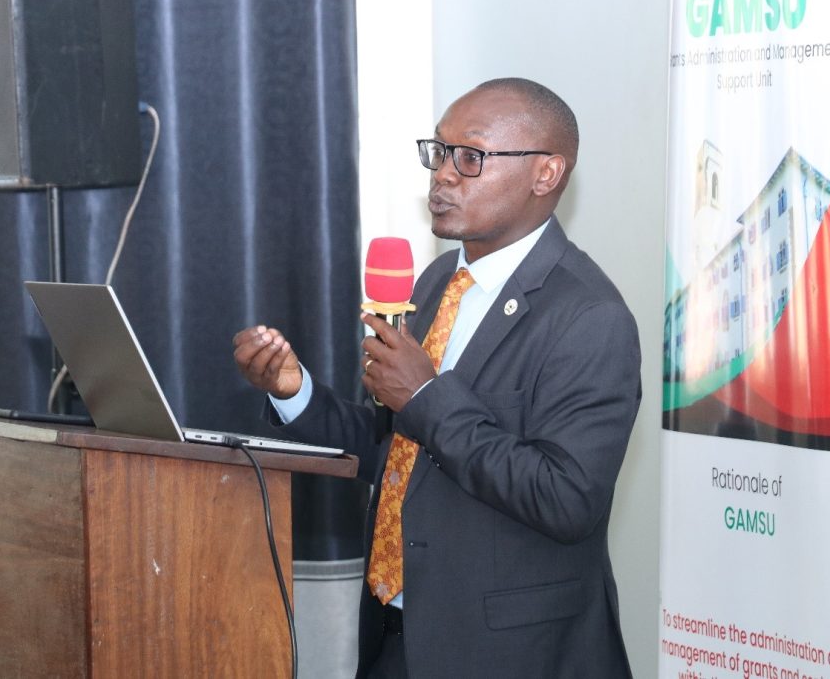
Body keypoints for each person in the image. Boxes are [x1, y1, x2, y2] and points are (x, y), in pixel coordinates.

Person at [232, 77, 641, 678]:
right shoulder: (434, 285)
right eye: (439, 152)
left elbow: (566, 498)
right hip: (397, 638)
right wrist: (295, 392)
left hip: (506, 655)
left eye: (470, 157)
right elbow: (396, 454)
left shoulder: (588, 316)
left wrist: (426, 396)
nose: (443, 175)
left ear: (547, 173)